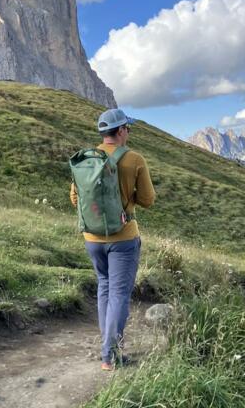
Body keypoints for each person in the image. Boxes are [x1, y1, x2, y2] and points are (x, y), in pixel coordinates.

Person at [70, 108, 155, 371]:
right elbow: (148, 200)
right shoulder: (134, 159)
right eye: (127, 128)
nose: (128, 132)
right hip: (123, 238)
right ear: (119, 131)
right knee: (119, 294)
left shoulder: (85, 159)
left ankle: (108, 347)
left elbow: (75, 198)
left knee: (104, 288)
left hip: (92, 238)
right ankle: (110, 355)